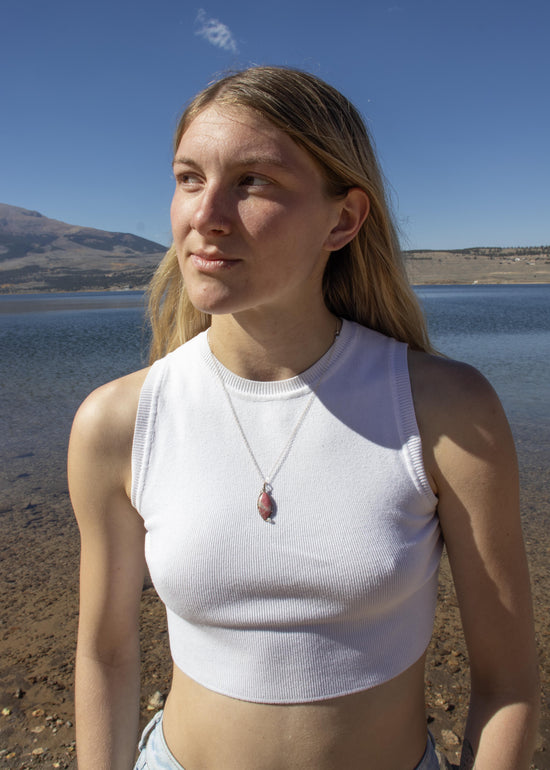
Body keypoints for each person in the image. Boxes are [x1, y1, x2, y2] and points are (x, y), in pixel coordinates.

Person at [68, 66, 539, 770]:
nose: (205, 215)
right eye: (190, 178)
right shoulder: (118, 422)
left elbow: (508, 681)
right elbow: (105, 654)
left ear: (343, 219)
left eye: (252, 181)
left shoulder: (444, 413)